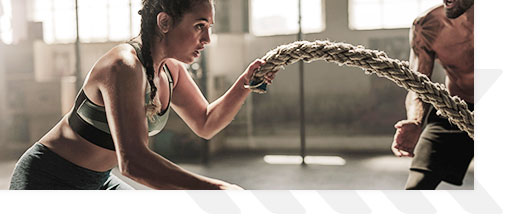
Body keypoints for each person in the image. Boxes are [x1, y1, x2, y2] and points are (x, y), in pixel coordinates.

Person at [9, 0, 276, 190]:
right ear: (164, 22)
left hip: (100, 181)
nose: (207, 38)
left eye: (209, 27)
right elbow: (133, 162)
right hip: (49, 179)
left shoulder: (171, 70)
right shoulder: (123, 66)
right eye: (199, 26)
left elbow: (206, 123)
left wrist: (245, 83)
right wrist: (216, 189)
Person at [391, 0, 474, 190]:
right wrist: (415, 120)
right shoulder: (427, 26)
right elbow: (419, 83)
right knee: (416, 189)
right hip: (455, 110)